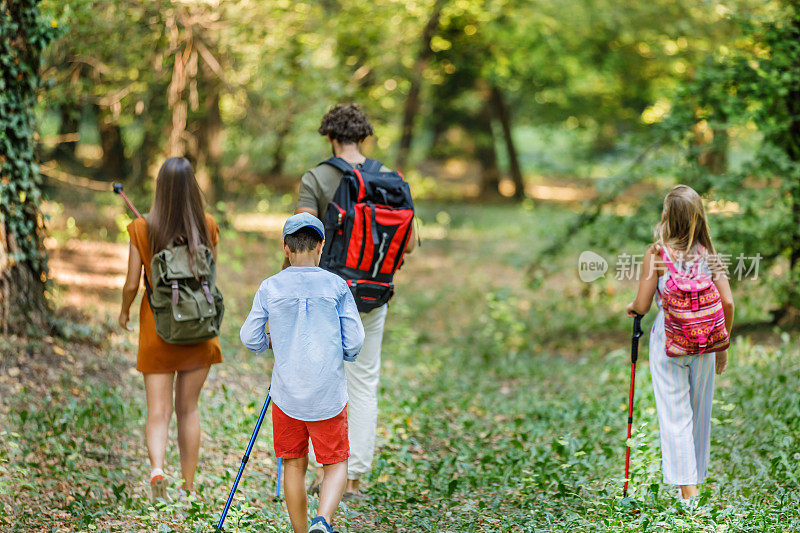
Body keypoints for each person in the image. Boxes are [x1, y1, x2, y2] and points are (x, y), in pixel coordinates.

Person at [293, 103, 416, 499]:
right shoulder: (391, 179)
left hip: (326, 292)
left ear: (330, 137)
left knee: (321, 380)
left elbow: (302, 242)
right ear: (364, 137)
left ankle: (328, 472)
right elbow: (410, 242)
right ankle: (355, 476)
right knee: (364, 382)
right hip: (374, 294)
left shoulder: (316, 178)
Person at [240, 213, 365, 533]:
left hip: (286, 395)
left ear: (286, 248)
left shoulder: (270, 287)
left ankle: (300, 530)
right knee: (335, 462)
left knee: (293, 464)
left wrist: (270, 343)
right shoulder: (337, 286)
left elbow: (249, 337)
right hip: (328, 393)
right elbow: (354, 339)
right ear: (321, 246)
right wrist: (345, 354)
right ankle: (322, 521)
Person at [119, 157, 222, 501]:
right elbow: (209, 277)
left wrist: (124, 312)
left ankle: (157, 470)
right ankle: (189, 487)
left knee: (158, 411)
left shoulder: (142, 228)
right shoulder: (207, 226)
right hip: (198, 331)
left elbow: (132, 283)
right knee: (188, 409)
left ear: (160, 189)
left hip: (158, 333)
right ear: (193, 189)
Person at [625, 184, 734, 508]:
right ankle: (692, 484)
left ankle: (689, 494)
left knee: (675, 416)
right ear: (699, 217)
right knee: (699, 413)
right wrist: (722, 344)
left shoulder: (657, 253)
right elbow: (727, 301)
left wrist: (632, 308)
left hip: (669, 342)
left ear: (667, 217)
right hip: (704, 342)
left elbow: (643, 304)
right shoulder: (709, 255)